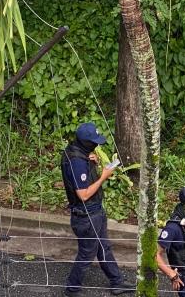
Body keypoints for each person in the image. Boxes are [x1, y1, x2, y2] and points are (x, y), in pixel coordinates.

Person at [61, 122, 134, 296]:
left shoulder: (78, 152)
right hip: (86, 215)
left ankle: (117, 282)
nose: (96, 145)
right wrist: (103, 176)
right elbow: (83, 194)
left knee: (103, 247)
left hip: (95, 212)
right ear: (86, 142)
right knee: (87, 253)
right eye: (93, 142)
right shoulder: (76, 161)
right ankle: (72, 289)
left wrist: (91, 160)